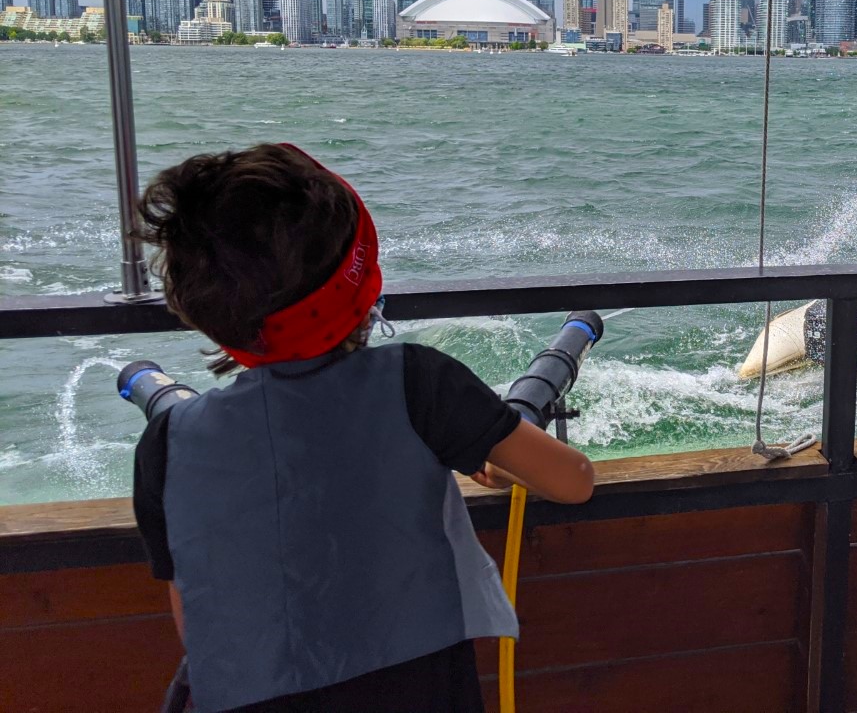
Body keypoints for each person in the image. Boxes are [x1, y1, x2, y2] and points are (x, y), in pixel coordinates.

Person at [130, 143, 594, 713]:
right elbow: (573, 481)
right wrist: (495, 464)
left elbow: (196, 622)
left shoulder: (169, 443)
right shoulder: (417, 382)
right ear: (361, 275)